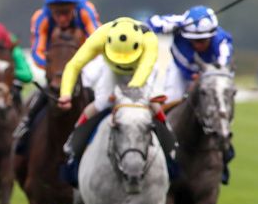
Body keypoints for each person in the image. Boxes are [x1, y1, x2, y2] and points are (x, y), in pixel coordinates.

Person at [58, 17, 176, 183]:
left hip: (141, 73)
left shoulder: (149, 40)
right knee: (99, 105)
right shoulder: (100, 37)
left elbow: (145, 69)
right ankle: (73, 147)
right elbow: (74, 65)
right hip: (112, 73)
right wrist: (65, 94)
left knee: (153, 106)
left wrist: (126, 94)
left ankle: (170, 147)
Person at [147, 5, 235, 184]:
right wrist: (168, 26)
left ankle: (224, 156)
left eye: (204, 40)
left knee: (220, 109)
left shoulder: (223, 42)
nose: (199, 45)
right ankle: (155, 147)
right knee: (167, 102)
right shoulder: (181, 25)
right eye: (195, 40)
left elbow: (222, 68)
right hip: (181, 74)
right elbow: (150, 24)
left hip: (212, 77)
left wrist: (205, 78)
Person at [15, 0, 101, 151]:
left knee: (97, 94)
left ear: (74, 8)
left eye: (66, 12)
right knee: (42, 94)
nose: (62, 18)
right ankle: (26, 124)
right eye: (57, 13)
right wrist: (54, 69)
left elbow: (98, 42)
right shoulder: (41, 17)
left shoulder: (86, 10)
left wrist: (78, 65)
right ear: (50, 10)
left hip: (85, 63)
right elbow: (37, 54)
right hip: (56, 67)